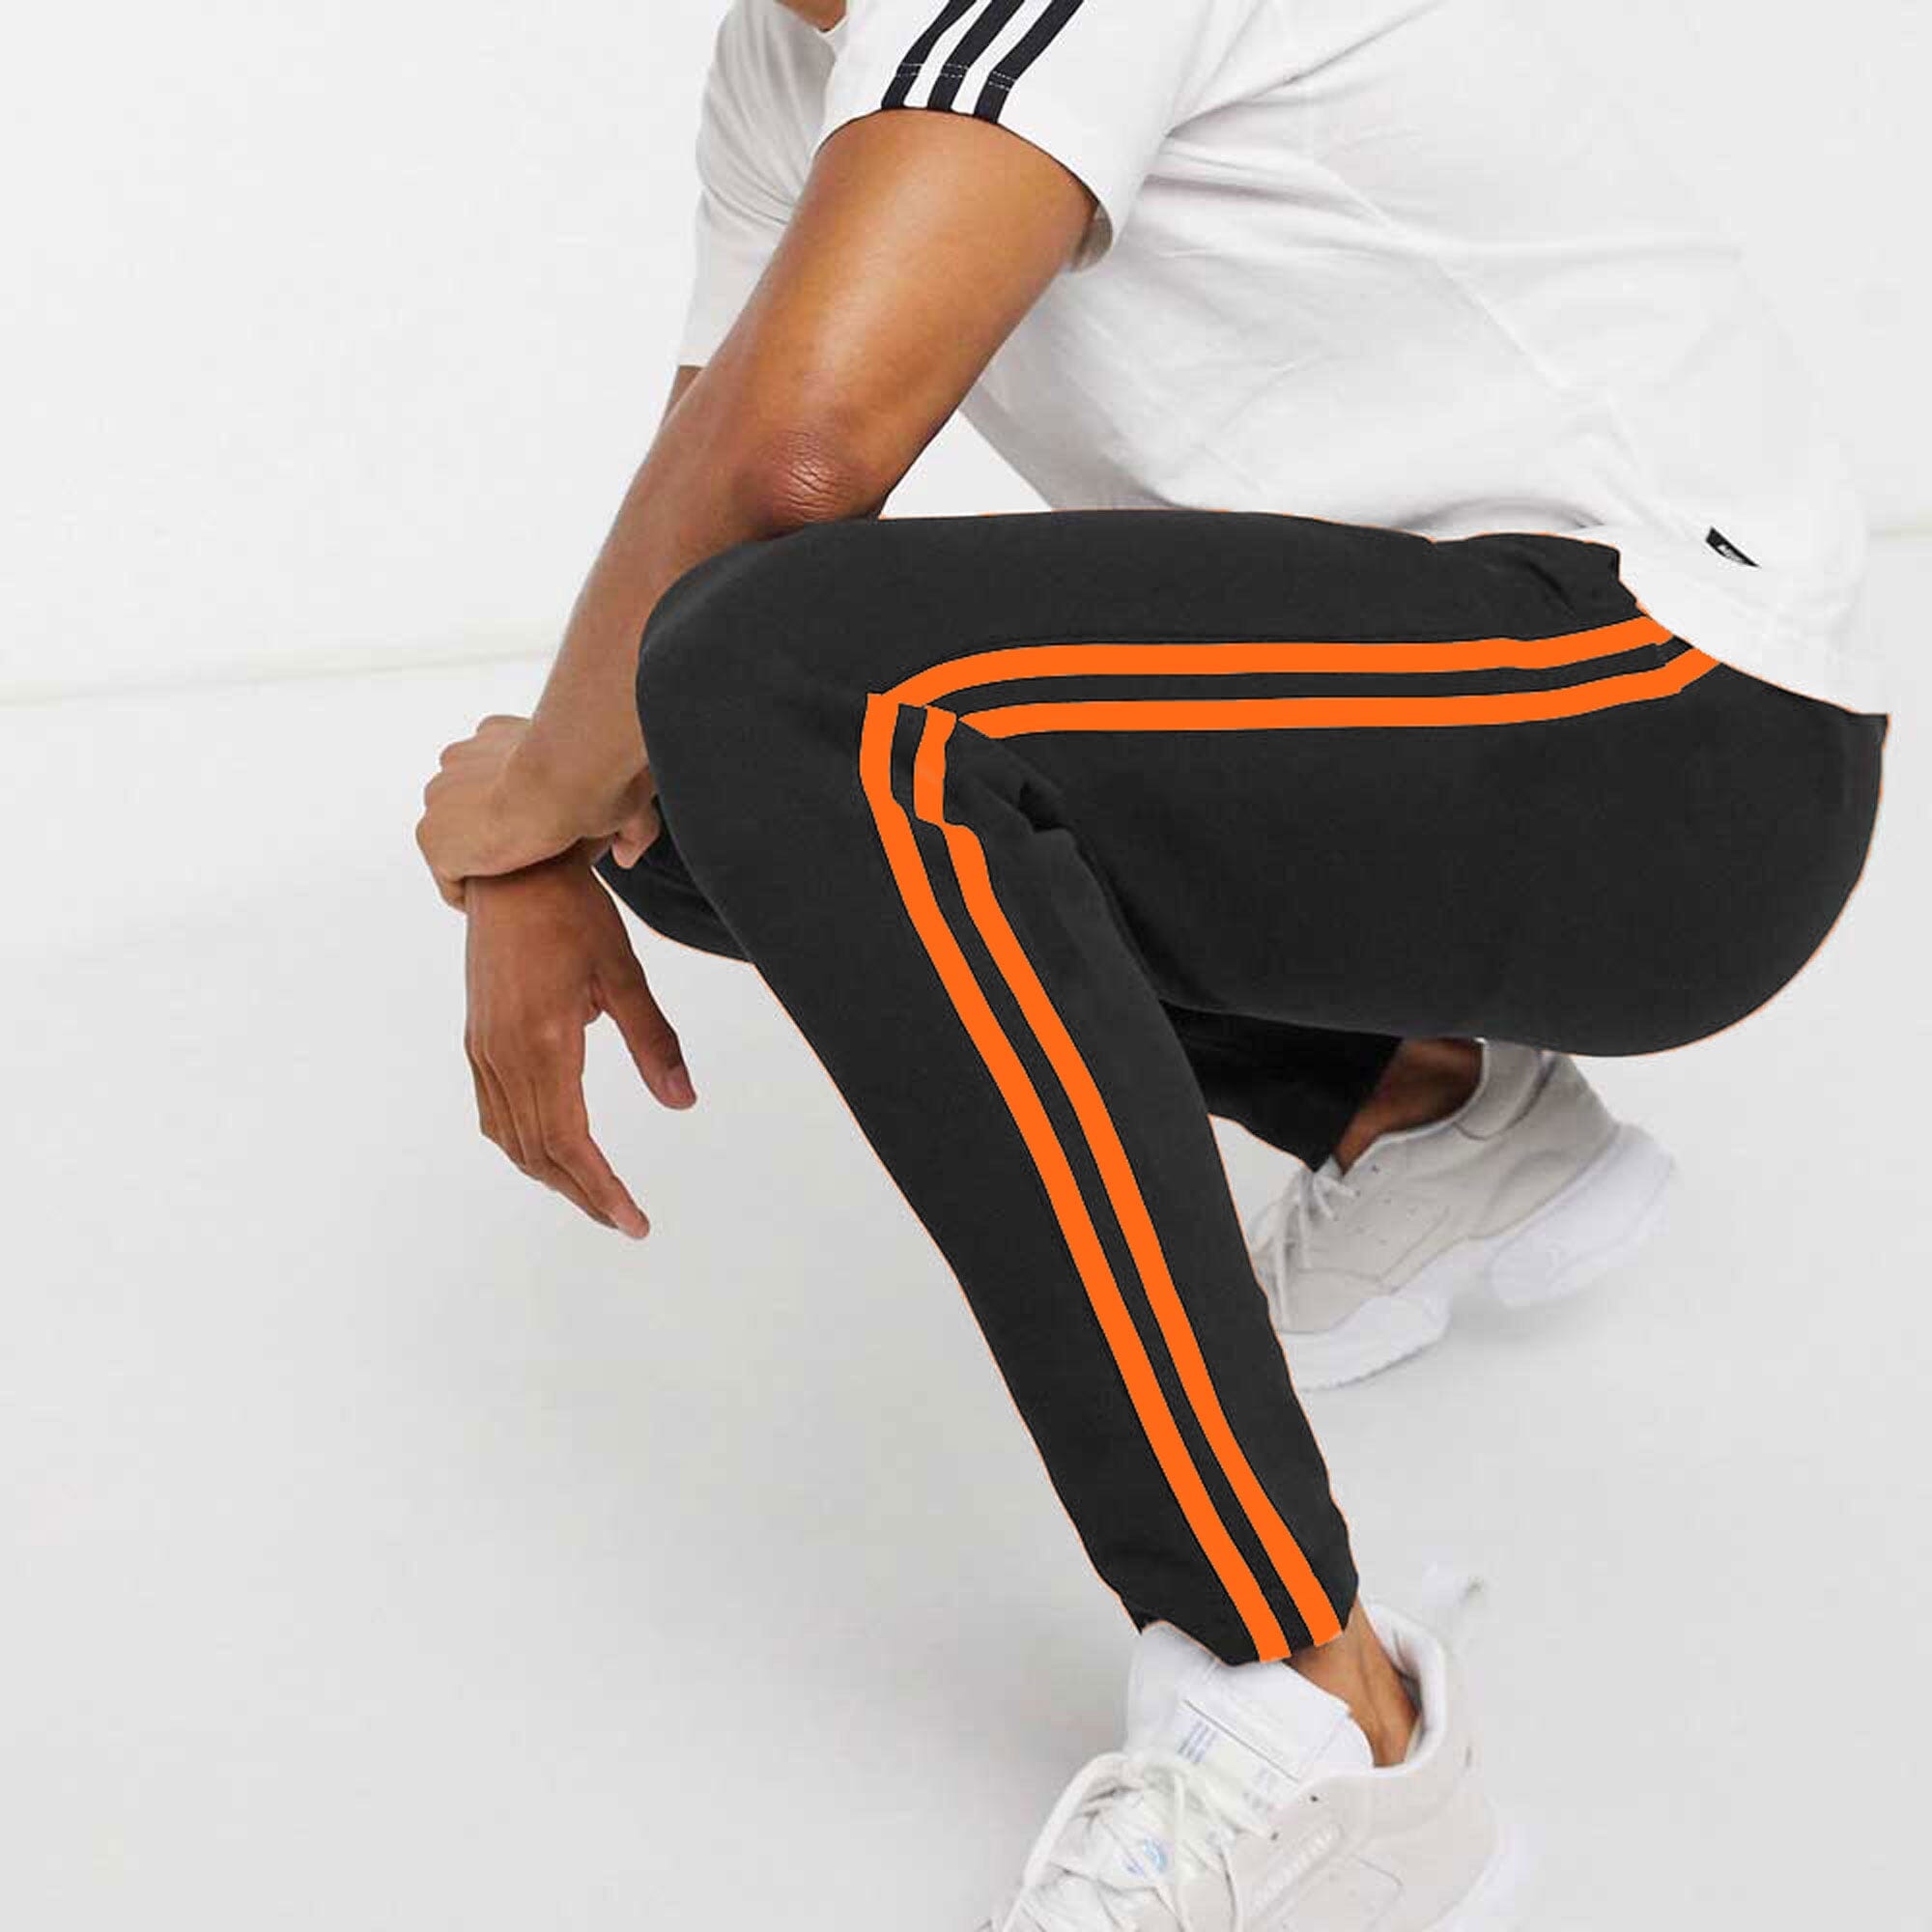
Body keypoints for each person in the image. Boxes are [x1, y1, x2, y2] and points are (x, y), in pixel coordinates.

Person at [414, 0, 1889, 1921]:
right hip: (1456, 734)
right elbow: (698, 526)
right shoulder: (779, 68)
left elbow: (795, 462)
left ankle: (1316, 1708)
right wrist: (550, 832)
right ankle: (1427, 1111)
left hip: (1684, 724)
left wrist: (522, 812)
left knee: (784, 698)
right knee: (710, 777)